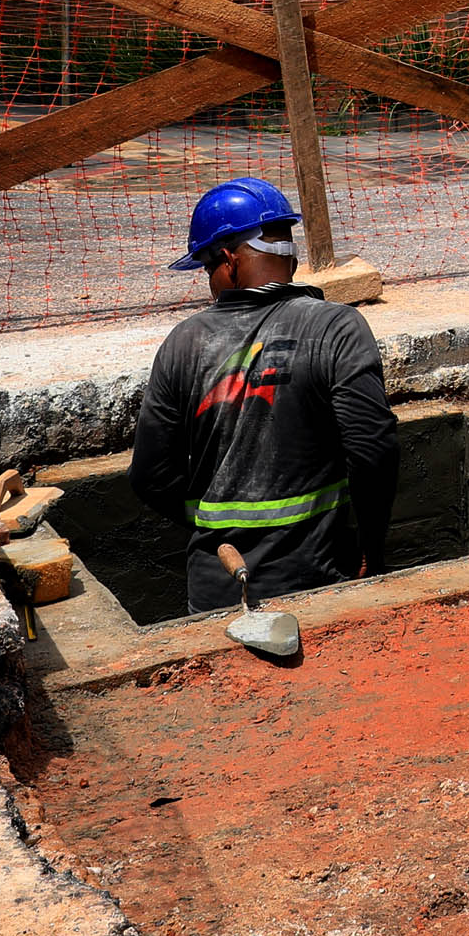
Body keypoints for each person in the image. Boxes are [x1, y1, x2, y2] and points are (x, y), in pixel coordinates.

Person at [130, 178, 398, 614]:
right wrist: (371, 543)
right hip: (319, 578)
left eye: (205, 268)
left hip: (217, 584)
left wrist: (213, 522)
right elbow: (373, 449)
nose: (208, 281)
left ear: (228, 260)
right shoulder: (337, 328)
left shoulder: (184, 342)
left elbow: (149, 477)